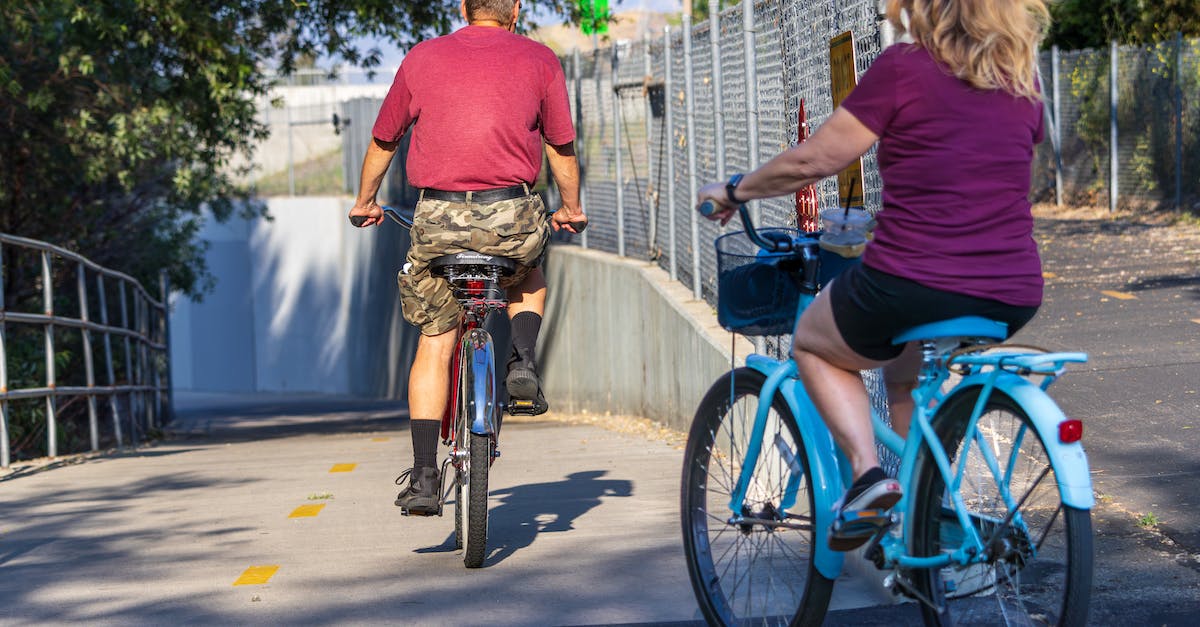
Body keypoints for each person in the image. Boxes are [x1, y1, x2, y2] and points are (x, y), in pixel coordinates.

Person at [696, 0, 1049, 550]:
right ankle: (920, 513)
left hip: (915, 276)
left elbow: (814, 161)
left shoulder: (905, 67)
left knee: (813, 341)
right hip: (1012, 286)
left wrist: (735, 189)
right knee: (904, 375)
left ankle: (867, 476)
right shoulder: (1019, 79)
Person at [349, 0, 586, 514]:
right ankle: (522, 359)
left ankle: (425, 476)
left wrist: (365, 200)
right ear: (516, 9)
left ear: (463, 7)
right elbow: (560, 148)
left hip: (439, 218)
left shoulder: (422, 57)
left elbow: (384, 139)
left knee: (435, 339)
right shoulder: (540, 59)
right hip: (510, 215)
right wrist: (571, 207)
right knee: (528, 269)